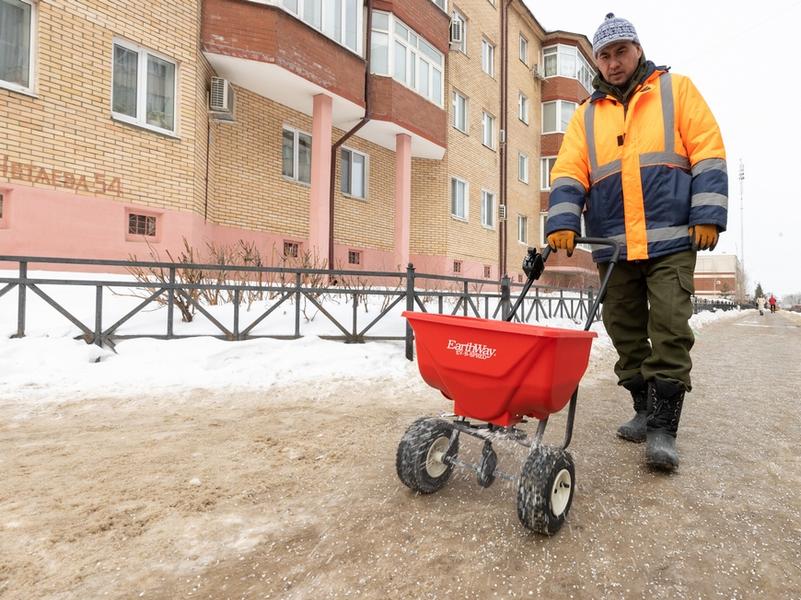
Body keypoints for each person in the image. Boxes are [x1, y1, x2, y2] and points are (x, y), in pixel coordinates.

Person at [545, 14, 727, 471]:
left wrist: (707, 214)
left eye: (620, 52)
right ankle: (644, 409)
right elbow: (569, 170)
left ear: (638, 50)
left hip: (672, 240)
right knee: (624, 330)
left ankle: (664, 429)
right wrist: (562, 221)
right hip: (614, 247)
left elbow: (707, 148)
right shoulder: (586, 115)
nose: (613, 62)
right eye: (604, 55)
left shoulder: (675, 90)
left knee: (669, 327)